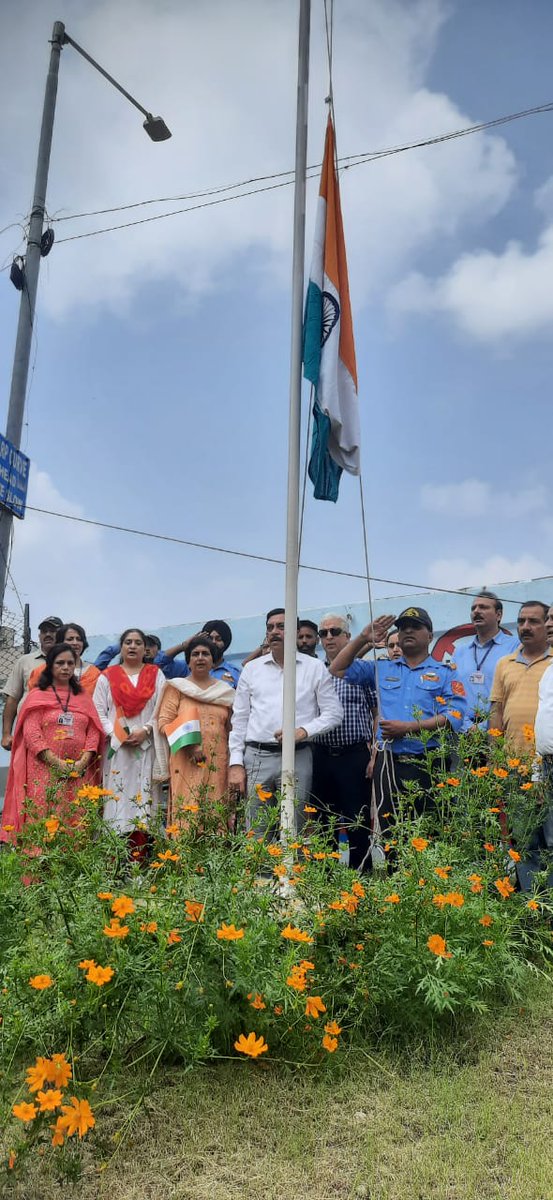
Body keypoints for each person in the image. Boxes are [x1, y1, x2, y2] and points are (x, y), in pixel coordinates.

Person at [330, 607, 466, 834]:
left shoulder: (445, 672)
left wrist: (409, 728)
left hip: (429, 761)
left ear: (430, 636)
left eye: (415, 627)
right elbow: (337, 668)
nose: (408, 632)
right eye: (403, 628)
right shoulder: (381, 668)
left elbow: (456, 715)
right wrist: (363, 638)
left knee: (430, 830)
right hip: (389, 762)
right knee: (390, 830)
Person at [228, 607, 343, 830]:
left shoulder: (314, 667)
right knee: (257, 831)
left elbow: (334, 712)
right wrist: (235, 763)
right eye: (270, 627)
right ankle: (261, 868)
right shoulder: (251, 670)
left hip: (297, 756)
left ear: (296, 632)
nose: (274, 632)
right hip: (257, 757)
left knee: (294, 829)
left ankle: (292, 867)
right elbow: (240, 720)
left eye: (281, 627)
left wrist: (304, 731)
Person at [0, 642, 104, 842]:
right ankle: (40, 867)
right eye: (60, 663)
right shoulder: (37, 695)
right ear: (49, 665)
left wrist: (83, 761)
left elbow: (93, 730)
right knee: (44, 815)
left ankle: (73, 866)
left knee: (77, 817)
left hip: (78, 772)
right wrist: (57, 763)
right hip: (44, 770)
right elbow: (31, 733)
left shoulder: (82, 696)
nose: (65, 667)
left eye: (70, 663)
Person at [311, 614, 381, 870]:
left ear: (348, 636)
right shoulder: (312, 671)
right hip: (321, 755)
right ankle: (324, 883)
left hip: (354, 757)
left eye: (334, 631)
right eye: (324, 633)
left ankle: (359, 881)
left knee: (357, 823)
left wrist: (374, 754)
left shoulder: (361, 670)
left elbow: (377, 714)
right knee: (322, 823)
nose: (328, 637)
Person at [93, 628, 166, 850]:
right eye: (127, 642)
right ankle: (115, 858)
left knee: (144, 796)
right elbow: (98, 710)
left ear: (146, 649)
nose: (132, 646)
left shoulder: (156, 674)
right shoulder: (108, 676)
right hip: (117, 750)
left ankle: (141, 857)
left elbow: (162, 708)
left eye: (137, 643)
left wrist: (145, 729)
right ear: (122, 647)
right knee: (117, 796)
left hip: (146, 746)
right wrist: (116, 734)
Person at [157, 634, 235, 823]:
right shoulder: (177, 687)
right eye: (195, 654)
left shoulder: (225, 692)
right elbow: (163, 723)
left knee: (216, 813)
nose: (200, 658)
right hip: (185, 759)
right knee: (186, 813)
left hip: (218, 760)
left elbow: (232, 728)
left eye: (206, 654)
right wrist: (189, 745)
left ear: (213, 660)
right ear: (188, 661)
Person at [489, 601, 553, 753]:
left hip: (546, 758)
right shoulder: (504, 663)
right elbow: (496, 713)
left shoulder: (552, 663)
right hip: (511, 760)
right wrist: (494, 756)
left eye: (533, 621)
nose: (525, 627)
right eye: (521, 621)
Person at [451, 591, 518, 731]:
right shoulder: (460, 652)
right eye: (473, 608)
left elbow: (516, 692)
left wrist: (484, 727)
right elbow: (452, 694)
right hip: (464, 734)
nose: (476, 611)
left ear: (498, 615)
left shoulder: (515, 647)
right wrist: (467, 727)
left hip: (500, 731)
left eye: (483, 607)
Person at [523, 604, 553, 889]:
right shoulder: (549, 674)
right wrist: (538, 776)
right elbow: (541, 729)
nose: (550, 623)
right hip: (547, 765)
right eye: (550, 618)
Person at [2, 616, 63, 750]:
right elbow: (12, 699)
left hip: (61, 731)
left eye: (52, 631)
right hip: (27, 730)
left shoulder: (69, 662)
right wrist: (6, 734)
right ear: (39, 636)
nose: (47, 634)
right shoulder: (25, 661)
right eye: (44, 631)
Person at [155, 620, 240, 687]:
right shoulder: (188, 666)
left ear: (226, 642)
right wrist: (185, 645)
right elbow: (159, 662)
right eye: (210, 638)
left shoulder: (234, 673)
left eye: (218, 639)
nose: (213, 642)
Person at [26, 623, 101, 698]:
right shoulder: (42, 671)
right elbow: (34, 699)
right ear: (60, 642)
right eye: (70, 639)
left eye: (79, 639)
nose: (75, 643)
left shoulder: (94, 673)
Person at [94, 633, 161, 670]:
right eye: (144, 645)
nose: (147, 648)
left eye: (151, 645)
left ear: (158, 650)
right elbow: (97, 668)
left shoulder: (162, 671)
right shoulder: (120, 671)